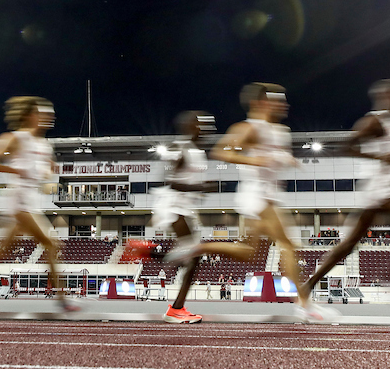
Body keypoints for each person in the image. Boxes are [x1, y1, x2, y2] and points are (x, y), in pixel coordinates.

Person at [172, 84, 314, 318]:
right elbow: (221, 152)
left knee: (250, 252)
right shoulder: (250, 128)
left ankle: (197, 247)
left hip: (270, 195)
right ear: (261, 103)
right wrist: (256, 160)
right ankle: (305, 304)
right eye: (277, 100)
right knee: (287, 244)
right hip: (257, 195)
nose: (284, 104)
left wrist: (282, 158)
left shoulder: (279, 131)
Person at [299, 79, 390, 313]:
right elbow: (347, 147)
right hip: (376, 191)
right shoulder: (374, 121)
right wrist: (381, 159)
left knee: (349, 245)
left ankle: (308, 286)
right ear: (387, 97)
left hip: (387, 189)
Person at [0, 96, 80, 313]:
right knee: (51, 244)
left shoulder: (43, 144)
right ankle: (61, 298)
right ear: (32, 115)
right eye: (44, 113)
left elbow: (41, 170)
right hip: (19, 202)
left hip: (30, 202)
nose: (50, 117)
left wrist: (48, 168)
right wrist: (16, 171)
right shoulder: (14, 138)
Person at [124, 110, 219, 323]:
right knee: (194, 256)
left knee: (192, 260)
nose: (206, 127)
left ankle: (148, 257)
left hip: (184, 208)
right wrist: (201, 187)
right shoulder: (182, 148)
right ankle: (176, 309)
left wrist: (198, 191)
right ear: (189, 127)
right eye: (200, 123)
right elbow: (171, 181)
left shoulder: (197, 151)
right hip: (173, 206)